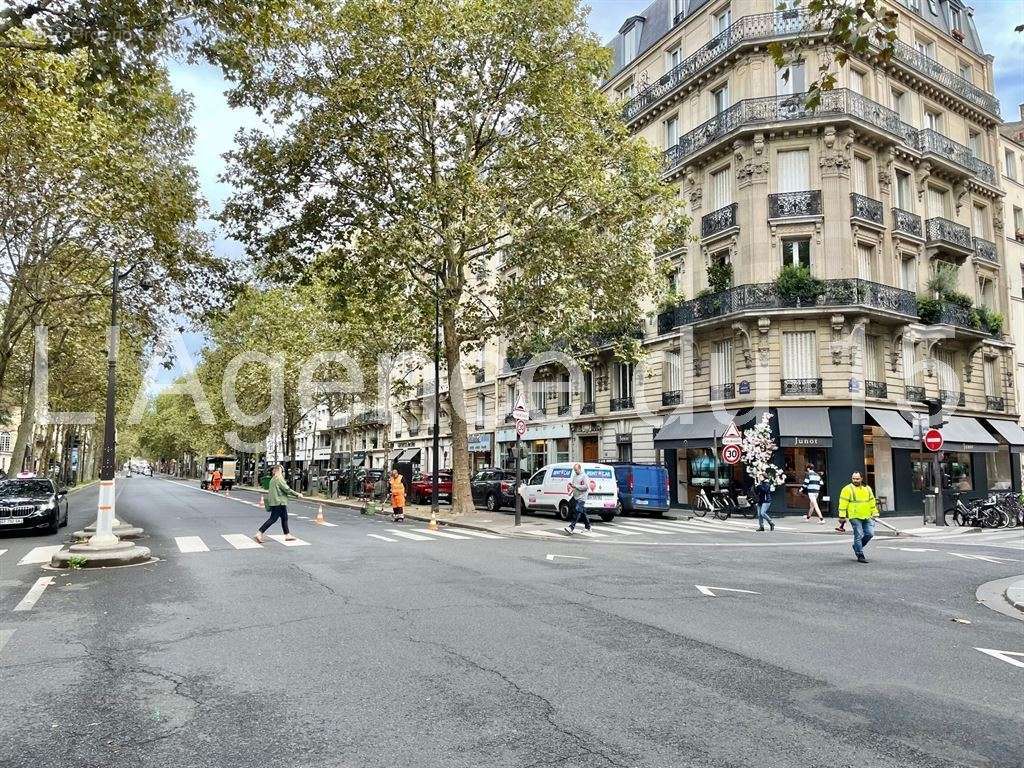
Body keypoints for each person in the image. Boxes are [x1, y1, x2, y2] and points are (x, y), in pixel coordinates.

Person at [255, 465, 304, 543]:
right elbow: (287, 489)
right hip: (279, 502)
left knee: (284, 518)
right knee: (273, 519)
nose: (283, 472)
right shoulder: (279, 479)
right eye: (282, 470)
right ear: (279, 470)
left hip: (276, 502)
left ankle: (287, 534)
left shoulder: (273, 479)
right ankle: (259, 533)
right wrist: (297, 494)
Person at [838, 471, 879, 563]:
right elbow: (843, 503)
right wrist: (842, 516)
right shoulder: (847, 489)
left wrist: (875, 512)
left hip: (867, 515)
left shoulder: (867, 489)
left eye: (857, 478)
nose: (855, 480)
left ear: (861, 479)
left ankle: (857, 546)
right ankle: (860, 554)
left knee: (870, 534)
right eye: (853, 478)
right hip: (854, 516)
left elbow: (872, 502)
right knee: (859, 535)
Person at [564, 463, 592, 535]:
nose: (575, 471)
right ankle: (588, 527)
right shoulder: (575, 476)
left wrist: (576, 486)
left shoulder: (584, 476)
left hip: (582, 497)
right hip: (575, 496)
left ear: (579, 469)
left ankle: (571, 527)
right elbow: (574, 486)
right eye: (574, 470)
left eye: (576, 470)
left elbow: (586, 487)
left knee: (577, 510)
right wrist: (571, 491)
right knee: (579, 510)